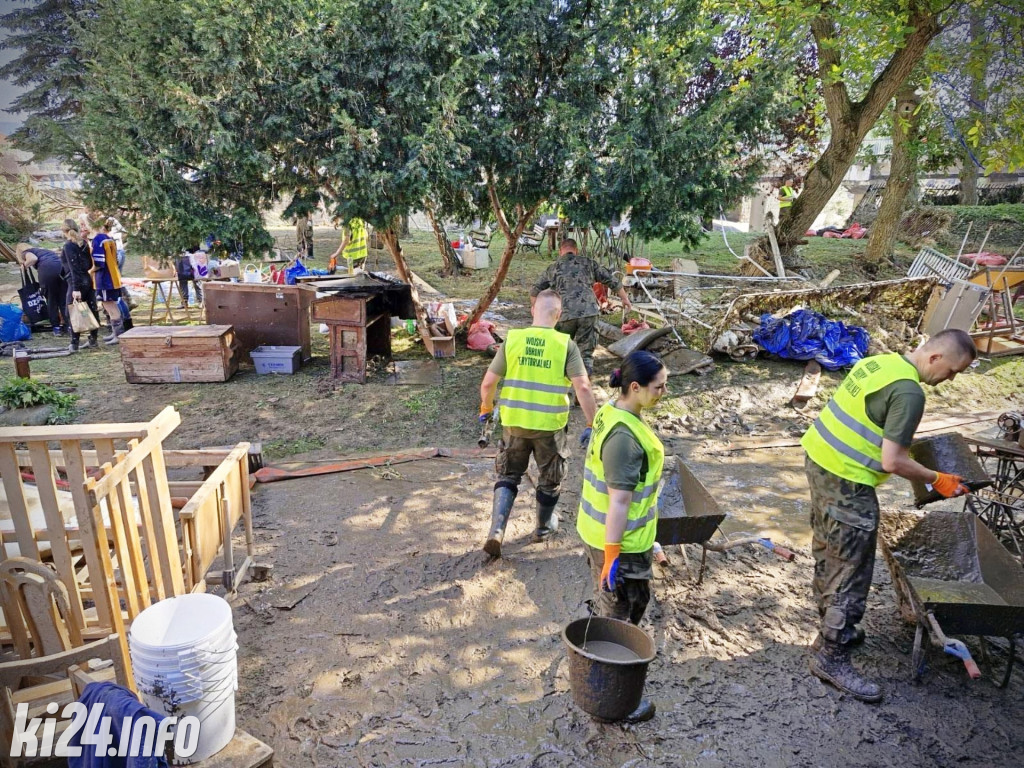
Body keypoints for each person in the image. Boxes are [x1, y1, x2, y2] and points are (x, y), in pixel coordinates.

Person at [801, 329, 978, 703]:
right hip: (848, 480)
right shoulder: (911, 393)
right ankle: (831, 656)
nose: (950, 380)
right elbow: (892, 461)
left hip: (819, 462)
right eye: (952, 371)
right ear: (935, 358)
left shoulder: (878, 362)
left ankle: (833, 630)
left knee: (827, 547)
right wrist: (938, 479)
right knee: (851, 568)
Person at [576, 349, 669, 723]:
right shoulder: (624, 438)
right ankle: (608, 703)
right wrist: (613, 556)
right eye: (659, 387)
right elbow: (618, 502)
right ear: (635, 386)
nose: (664, 392)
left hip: (606, 536)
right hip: (620, 544)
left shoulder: (613, 411)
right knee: (621, 618)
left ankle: (598, 622)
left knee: (620, 605)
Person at [478, 289, 597, 557]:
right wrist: (592, 423)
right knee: (550, 479)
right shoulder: (565, 345)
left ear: (533, 311)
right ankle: (543, 527)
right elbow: (584, 389)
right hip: (549, 428)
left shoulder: (514, 340)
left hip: (514, 425)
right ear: (559, 315)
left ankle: (497, 530)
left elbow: (488, 383)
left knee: (508, 474)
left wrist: (486, 409)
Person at [530, 238, 632, 376]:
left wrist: (535, 310)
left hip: (563, 315)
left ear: (560, 251)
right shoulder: (588, 263)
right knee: (586, 355)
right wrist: (625, 299)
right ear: (576, 250)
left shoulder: (553, 268)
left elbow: (535, 290)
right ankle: (584, 381)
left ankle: (560, 378)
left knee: (560, 348)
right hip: (588, 312)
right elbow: (611, 280)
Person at [60, 219, 100, 351]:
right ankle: (93, 339)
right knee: (91, 308)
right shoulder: (84, 244)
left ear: (64, 231)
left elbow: (73, 267)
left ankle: (74, 342)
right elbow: (89, 264)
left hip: (76, 280)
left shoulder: (68, 246)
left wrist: (75, 288)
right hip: (87, 278)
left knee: (71, 311)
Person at [16, 243, 68, 336]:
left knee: (51, 300)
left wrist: (24, 266)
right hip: (62, 270)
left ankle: (56, 327)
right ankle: (68, 326)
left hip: (48, 272)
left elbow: (33, 259)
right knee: (63, 300)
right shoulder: (43, 251)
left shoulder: (26, 252)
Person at [90, 219, 125, 344]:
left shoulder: (98, 240)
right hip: (113, 276)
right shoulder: (109, 238)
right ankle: (116, 333)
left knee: (110, 305)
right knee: (109, 304)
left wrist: (90, 271)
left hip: (105, 278)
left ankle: (118, 334)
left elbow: (99, 263)